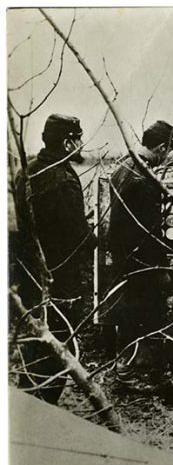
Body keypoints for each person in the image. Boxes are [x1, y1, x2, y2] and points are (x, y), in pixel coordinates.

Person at [14, 113, 97, 404]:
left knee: (38, 341)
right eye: (77, 139)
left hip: (32, 275)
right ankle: (45, 409)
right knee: (61, 348)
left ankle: (27, 402)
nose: (81, 144)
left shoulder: (27, 171)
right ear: (66, 142)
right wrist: (94, 238)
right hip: (61, 279)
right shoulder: (62, 177)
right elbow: (75, 234)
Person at [108, 120, 173, 388]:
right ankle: (138, 373)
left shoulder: (125, 166)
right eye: (169, 151)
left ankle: (130, 369)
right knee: (151, 313)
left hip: (124, 256)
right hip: (142, 260)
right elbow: (151, 232)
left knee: (130, 311)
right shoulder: (144, 179)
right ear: (161, 147)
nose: (167, 157)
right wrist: (162, 269)